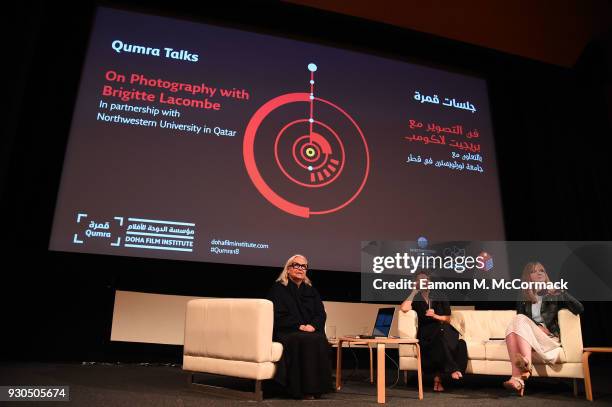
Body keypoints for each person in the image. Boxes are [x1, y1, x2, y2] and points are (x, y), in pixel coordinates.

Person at [503, 261, 584, 396]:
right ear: (528, 277)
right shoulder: (524, 296)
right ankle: (518, 380)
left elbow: (579, 308)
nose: (539, 273)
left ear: (546, 274)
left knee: (517, 321)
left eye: (542, 270)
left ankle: (522, 370)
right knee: (512, 330)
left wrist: (561, 291)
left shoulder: (554, 293)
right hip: (532, 336)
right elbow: (521, 322)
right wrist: (537, 327)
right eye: (534, 271)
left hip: (549, 338)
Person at [267, 254, 332, 399]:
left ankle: (317, 388)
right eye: (296, 265)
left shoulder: (311, 290)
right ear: (288, 269)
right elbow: (277, 315)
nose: (300, 269)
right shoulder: (278, 289)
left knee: (319, 339)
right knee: (302, 339)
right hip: (287, 331)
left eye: (303, 266)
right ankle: (301, 389)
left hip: (309, 330)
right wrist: (299, 326)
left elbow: (320, 313)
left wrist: (313, 326)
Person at [400, 271, 467, 392]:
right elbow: (404, 308)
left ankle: (439, 378)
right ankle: (450, 371)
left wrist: (436, 316)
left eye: (425, 280)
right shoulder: (416, 298)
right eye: (420, 280)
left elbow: (448, 318)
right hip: (427, 333)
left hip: (444, 328)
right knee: (440, 340)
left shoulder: (440, 294)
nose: (423, 282)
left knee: (445, 337)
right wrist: (414, 291)